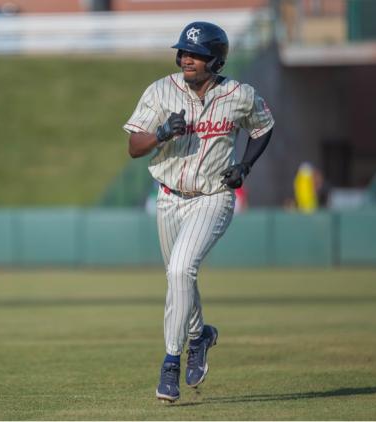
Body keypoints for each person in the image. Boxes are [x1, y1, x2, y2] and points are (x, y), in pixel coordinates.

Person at [123, 21, 275, 402]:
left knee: (180, 269)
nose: (186, 59)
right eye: (183, 52)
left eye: (196, 54)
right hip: (169, 196)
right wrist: (161, 133)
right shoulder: (160, 90)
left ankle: (170, 363)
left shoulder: (240, 95)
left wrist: (245, 166)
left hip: (214, 196)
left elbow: (263, 127)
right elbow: (134, 147)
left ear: (216, 61)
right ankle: (200, 336)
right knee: (179, 278)